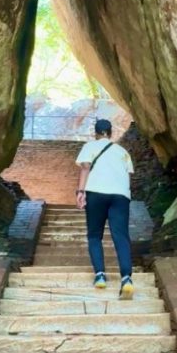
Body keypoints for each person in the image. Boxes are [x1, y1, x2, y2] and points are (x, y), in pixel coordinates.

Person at [74, 118, 135, 299]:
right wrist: (125, 196)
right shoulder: (122, 152)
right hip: (120, 196)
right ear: (111, 133)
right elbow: (128, 176)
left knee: (94, 235)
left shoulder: (90, 147)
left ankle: (100, 275)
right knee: (121, 236)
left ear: (95, 133)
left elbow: (85, 168)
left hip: (96, 193)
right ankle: (126, 279)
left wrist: (80, 192)